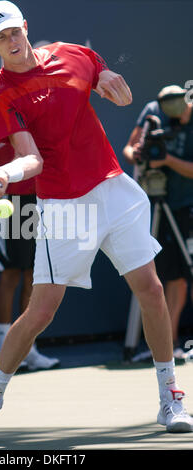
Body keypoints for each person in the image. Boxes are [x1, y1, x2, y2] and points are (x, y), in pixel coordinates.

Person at [0, 1, 193, 442]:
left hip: (113, 187)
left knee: (151, 288)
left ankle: (171, 398)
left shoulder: (71, 54)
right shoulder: (3, 96)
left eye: (15, 31)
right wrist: (5, 172)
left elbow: (95, 67)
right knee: (41, 311)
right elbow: (30, 157)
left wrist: (106, 78)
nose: (12, 41)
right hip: (65, 204)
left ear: (26, 28)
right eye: (1, 36)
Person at [0, 116, 60, 371]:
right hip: (8, 206)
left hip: (40, 202)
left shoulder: (40, 120)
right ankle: (4, 350)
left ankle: (28, 349)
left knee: (33, 277)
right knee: (10, 275)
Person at [123, 85, 193, 361]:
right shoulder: (153, 111)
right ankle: (157, 344)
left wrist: (166, 160)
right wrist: (139, 155)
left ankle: (173, 342)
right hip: (150, 206)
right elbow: (129, 149)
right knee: (157, 276)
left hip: (185, 206)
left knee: (179, 277)